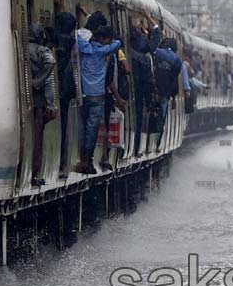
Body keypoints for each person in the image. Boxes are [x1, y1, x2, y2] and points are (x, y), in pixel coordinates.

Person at [75, 25, 122, 174]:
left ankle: (82, 156)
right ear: (103, 39)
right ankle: (87, 159)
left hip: (83, 95)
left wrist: (90, 36)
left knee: (82, 126)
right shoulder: (103, 51)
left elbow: (79, 35)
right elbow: (118, 43)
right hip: (97, 97)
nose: (109, 42)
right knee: (92, 128)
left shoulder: (84, 47)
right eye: (108, 39)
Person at [129, 14, 162, 155]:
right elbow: (156, 36)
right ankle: (137, 148)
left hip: (130, 91)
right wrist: (150, 100)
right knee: (140, 119)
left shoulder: (129, 52)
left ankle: (135, 148)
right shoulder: (146, 58)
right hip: (141, 92)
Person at [28, 23, 57, 186]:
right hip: (38, 101)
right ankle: (34, 173)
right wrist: (39, 80)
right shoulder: (40, 50)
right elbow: (51, 62)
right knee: (37, 139)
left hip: (23, 99)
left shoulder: (20, 47)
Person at [53, 11, 78, 179]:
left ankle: (62, 159)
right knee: (64, 127)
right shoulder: (71, 41)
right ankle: (63, 160)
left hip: (56, 89)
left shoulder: (56, 40)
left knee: (62, 127)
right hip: (66, 89)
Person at [153, 37, 183, 145]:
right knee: (162, 114)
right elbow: (174, 80)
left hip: (153, 89)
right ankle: (158, 140)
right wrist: (174, 97)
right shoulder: (176, 60)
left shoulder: (156, 52)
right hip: (165, 93)